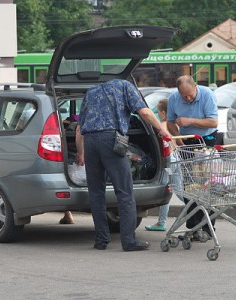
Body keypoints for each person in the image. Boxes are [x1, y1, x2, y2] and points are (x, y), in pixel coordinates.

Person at [75, 79, 171, 251]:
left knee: (96, 193)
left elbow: (79, 128)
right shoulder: (125, 86)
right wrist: (161, 130)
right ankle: (128, 241)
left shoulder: (91, 91)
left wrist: (81, 154)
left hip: (90, 142)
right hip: (111, 140)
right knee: (124, 191)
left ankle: (101, 240)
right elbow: (145, 113)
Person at [167, 75, 218, 240]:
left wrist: (190, 121)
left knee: (206, 184)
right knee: (189, 185)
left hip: (206, 140)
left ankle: (208, 227)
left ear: (195, 86)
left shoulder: (207, 94)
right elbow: (169, 123)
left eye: (190, 95)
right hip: (186, 142)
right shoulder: (174, 98)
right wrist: (177, 137)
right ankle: (193, 227)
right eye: (184, 96)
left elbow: (213, 122)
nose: (188, 98)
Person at [145, 99, 184, 231]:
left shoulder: (163, 126)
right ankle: (161, 222)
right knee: (171, 189)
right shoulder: (174, 125)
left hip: (169, 163)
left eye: (158, 111)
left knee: (174, 189)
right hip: (176, 159)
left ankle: (195, 209)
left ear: (162, 112)